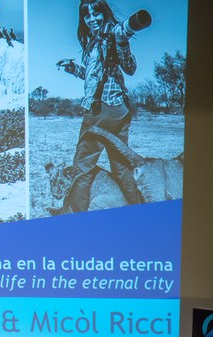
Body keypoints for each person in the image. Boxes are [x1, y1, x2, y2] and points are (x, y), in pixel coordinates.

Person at [52, 0, 140, 214]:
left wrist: (122, 42)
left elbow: (130, 68)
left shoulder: (113, 35)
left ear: (104, 14)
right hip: (120, 110)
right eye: (87, 15)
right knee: (120, 167)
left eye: (96, 13)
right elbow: (98, 78)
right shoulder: (95, 40)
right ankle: (138, 209)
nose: (92, 19)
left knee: (82, 168)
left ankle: (75, 217)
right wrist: (74, 68)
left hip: (101, 112)